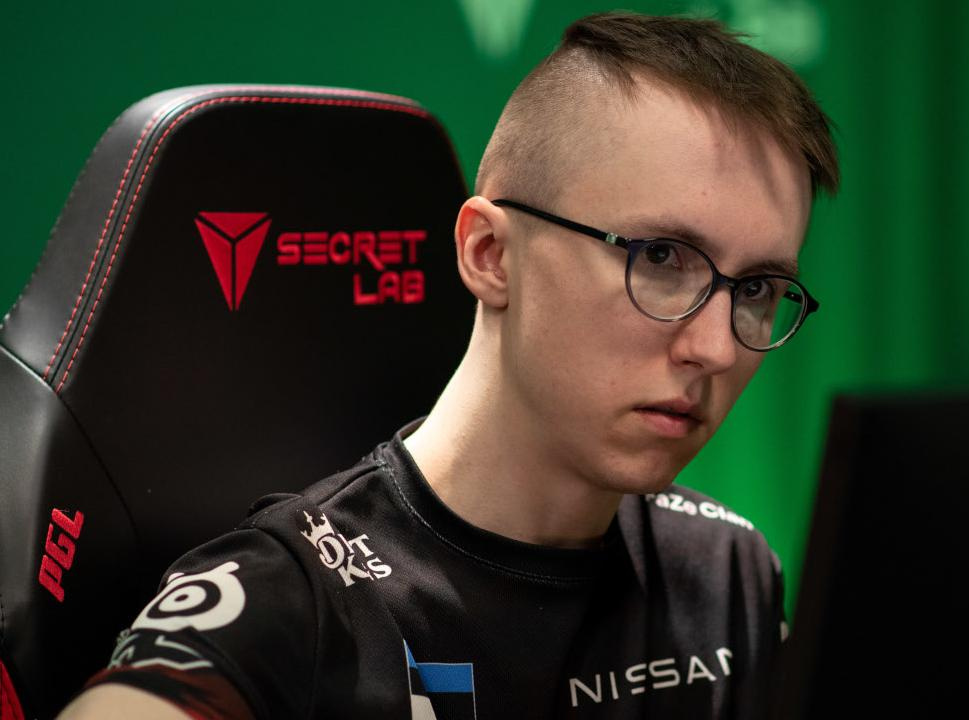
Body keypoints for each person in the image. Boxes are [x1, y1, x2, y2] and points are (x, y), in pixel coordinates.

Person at [59, 11, 838, 719]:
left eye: (758, 290)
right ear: (490, 254)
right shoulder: (296, 602)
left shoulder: (727, 571)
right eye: (663, 258)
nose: (717, 348)